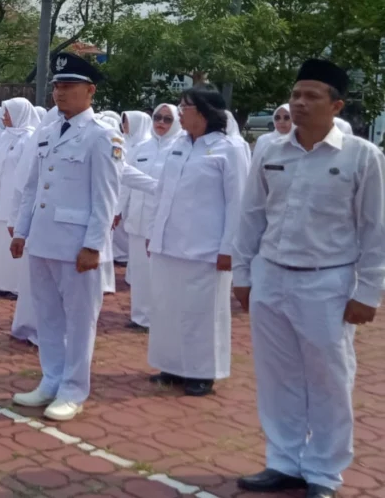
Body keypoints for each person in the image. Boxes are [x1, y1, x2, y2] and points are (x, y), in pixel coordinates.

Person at [234, 59, 385, 498]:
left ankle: (322, 472)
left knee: (329, 380)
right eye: (296, 94)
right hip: (271, 277)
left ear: (336, 105)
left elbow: (375, 229)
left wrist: (369, 292)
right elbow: (250, 216)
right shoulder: (270, 150)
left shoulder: (362, 156)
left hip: (328, 282)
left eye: (311, 96)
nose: (299, 103)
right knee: (277, 375)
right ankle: (282, 460)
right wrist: (243, 274)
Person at [10, 53, 121, 422]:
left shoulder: (101, 135)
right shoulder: (47, 131)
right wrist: (21, 230)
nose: (60, 93)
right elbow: (32, 187)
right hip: (43, 239)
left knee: (79, 321)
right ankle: (51, 380)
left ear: (89, 91)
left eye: (68, 86)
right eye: (57, 85)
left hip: (76, 245)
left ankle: (73, 390)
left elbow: (106, 196)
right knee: (48, 317)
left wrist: (94, 245)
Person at [123, 88, 247, 397]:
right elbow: (164, 193)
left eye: (185, 106)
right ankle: (172, 365)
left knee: (202, 313)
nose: (179, 111)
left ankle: (203, 372)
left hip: (206, 248)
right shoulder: (178, 146)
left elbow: (238, 203)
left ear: (204, 112)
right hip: (169, 243)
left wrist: (228, 248)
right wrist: (154, 232)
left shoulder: (229, 149)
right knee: (167, 308)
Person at [118, 104, 182, 332]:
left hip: (164, 222)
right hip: (137, 218)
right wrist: (118, 209)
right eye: (157, 117)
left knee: (161, 274)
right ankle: (140, 316)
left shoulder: (180, 149)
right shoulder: (142, 148)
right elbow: (125, 180)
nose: (161, 123)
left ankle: (160, 319)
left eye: (167, 119)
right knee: (140, 273)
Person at [0, 97, 37, 299]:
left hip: (14, 199)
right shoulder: (7, 136)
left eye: (7, 113)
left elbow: (28, 175)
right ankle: (1, 282)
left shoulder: (28, 139)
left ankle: (16, 286)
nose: (3, 117)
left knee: (13, 240)